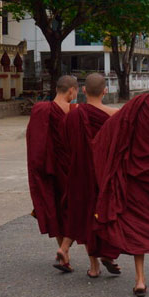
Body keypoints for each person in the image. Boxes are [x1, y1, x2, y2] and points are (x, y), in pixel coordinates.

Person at [93, 67, 149, 297]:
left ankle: (140, 279)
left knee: (137, 222)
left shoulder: (138, 104)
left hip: (136, 172)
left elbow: (118, 132)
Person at [64, 73, 121, 278]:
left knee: (88, 214)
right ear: (106, 91)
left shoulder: (73, 114)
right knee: (106, 213)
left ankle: (94, 266)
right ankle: (107, 254)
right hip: (105, 173)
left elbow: (68, 145)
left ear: (84, 90)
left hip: (81, 173)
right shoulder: (115, 115)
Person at [26, 75, 78, 272]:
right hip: (68, 167)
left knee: (56, 209)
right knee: (77, 210)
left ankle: (64, 256)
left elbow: (34, 139)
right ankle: (65, 249)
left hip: (47, 169)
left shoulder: (40, 109)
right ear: (71, 91)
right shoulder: (73, 111)